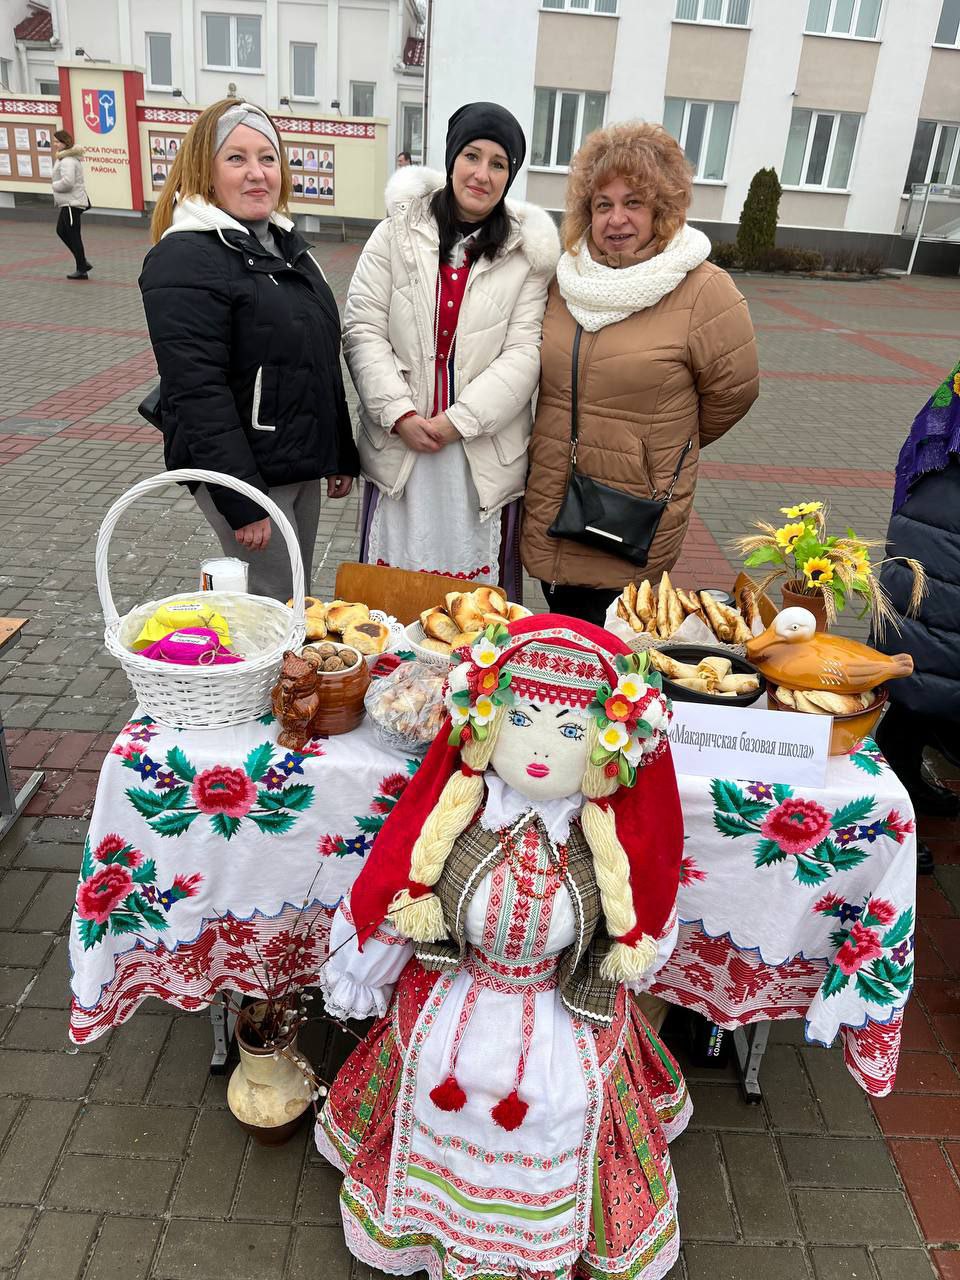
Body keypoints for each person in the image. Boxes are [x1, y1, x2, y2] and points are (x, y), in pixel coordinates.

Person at [318, 613, 690, 1280]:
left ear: (611, 745)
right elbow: (400, 878)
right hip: (459, 985)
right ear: (488, 719)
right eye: (521, 719)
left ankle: (540, 1235)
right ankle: (431, 1222)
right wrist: (362, 969)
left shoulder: (593, 834)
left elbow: (647, 887)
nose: (542, 749)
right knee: (433, 1072)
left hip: (558, 1000)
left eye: (573, 731)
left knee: (566, 1098)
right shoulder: (465, 812)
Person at [521, 122, 759, 626]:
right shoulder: (563, 282)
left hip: (630, 511)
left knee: (613, 657)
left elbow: (732, 393)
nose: (616, 219)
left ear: (663, 210)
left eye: (633, 202)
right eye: (602, 204)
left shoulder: (702, 291)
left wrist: (655, 449)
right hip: (552, 498)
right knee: (563, 639)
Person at [139, 98, 359, 600]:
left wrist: (339, 452)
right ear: (206, 170)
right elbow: (197, 390)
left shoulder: (284, 247)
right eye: (236, 158)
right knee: (268, 605)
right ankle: (242, 683)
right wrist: (241, 498)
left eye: (267, 157)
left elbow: (318, 360)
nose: (258, 173)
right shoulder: (185, 257)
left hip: (296, 461)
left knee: (291, 599)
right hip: (249, 472)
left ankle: (283, 681)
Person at [345, 102, 559, 600]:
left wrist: (456, 421)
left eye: (498, 164)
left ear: (510, 176)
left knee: (474, 611)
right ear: (450, 158)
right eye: (471, 156)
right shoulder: (394, 234)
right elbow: (362, 328)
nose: (482, 174)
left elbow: (525, 354)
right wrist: (398, 413)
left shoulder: (527, 256)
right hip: (401, 442)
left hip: (477, 450)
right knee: (392, 594)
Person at [873, 358, 960, 867]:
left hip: (928, 529)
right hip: (943, 550)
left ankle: (901, 804)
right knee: (926, 680)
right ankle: (892, 826)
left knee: (917, 684)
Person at [51, 129, 91, 281]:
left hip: (71, 203)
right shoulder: (64, 158)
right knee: (61, 231)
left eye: (57, 142)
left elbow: (68, 182)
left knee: (74, 236)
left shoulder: (67, 160)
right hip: (68, 202)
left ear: (64, 142)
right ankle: (82, 263)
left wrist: (54, 186)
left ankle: (81, 268)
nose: (55, 144)